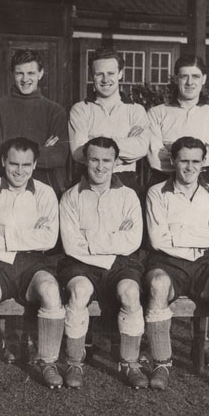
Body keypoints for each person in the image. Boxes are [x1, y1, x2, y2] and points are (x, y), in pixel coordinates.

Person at [144, 136, 209, 393]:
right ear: (173, 161)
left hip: (202, 262)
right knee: (157, 284)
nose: (189, 167)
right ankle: (161, 364)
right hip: (166, 262)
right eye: (184, 161)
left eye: (195, 161)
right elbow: (157, 240)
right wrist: (200, 232)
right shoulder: (157, 192)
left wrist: (178, 232)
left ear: (203, 163)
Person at [0, 138, 61, 389]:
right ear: (3, 161)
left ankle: (48, 361)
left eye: (26, 165)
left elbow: (49, 239)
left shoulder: (45, 192)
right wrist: (28, 233)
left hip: (33, 263)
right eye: (14, 164)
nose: (20, 171)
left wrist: (3, 231)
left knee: (51, 290)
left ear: (35, 164)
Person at [58, 137, 145, 389]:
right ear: (86, 161)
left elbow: (132, 242)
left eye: (107, 160)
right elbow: (72, 246)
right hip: (79, 263)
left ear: (116, 162)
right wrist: (114, 236)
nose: (100, 166)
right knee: (79, 291)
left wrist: (89, 238)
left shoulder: (128, 196)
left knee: (130, 293)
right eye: (94, 159)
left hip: (121, 262)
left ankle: (130, 362)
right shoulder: (71, 196)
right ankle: (75, 361)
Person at [0, 49, 69, 195]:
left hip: (44, 189)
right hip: (4, 189)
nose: (25, 79)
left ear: (40, 74)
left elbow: (59, 156)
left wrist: (12, 151)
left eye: (31, 73)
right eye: (19, 73)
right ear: (12, 74)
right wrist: (41, 150)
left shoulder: (55, 111)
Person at [68, 49, 149, 191]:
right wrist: (125, 145)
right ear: (92, 76)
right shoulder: (80, 109)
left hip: (126, 180)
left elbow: (141, 148)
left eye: (110, 73)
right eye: (99, 74)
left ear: (120, 74)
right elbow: (78, 152)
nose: (105, 80)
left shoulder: (136, 110)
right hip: (89, 181)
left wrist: (95, 143)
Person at [146, 56, 209, 187]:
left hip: (204, 184)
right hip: (163, 184)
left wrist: (173, 150)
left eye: (196, 76)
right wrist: (205, 151)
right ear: (176, 79)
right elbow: (155, 159)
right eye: (184, 76)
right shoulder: (157, 113)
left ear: (204, 79)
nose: (189, 82)